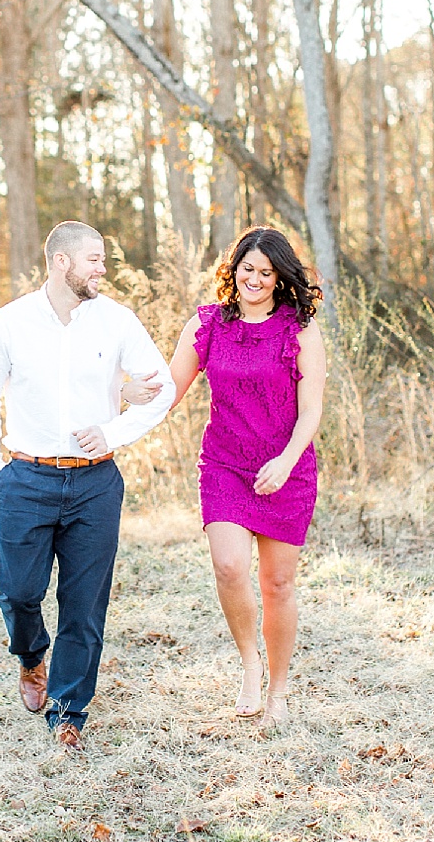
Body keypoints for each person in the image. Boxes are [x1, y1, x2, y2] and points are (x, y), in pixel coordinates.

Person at [0, 221, 176, 748]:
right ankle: (31, 657)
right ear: (61, 262)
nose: (103, 268)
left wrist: (112, 432)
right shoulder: (10, 322)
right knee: (17, 591)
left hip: (95, 484)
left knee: (85, 603)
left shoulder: (116, 322)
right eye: (94, 259)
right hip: (25, 478)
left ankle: (68, 712)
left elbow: (163, 387)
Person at [128, 226, 326, 728]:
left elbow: (311, 413)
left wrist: (284, 462)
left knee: (277, 584)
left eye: (266, 272)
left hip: (286, 470)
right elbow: (168, 392)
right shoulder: (208, 324)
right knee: (230, 568)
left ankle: (279, 690)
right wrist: (121, 403)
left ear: (280, 278)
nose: (255, 279)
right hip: (225, 466)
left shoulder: (298, 329)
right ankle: (250, 663)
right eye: (247, 269)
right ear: (232, 268)